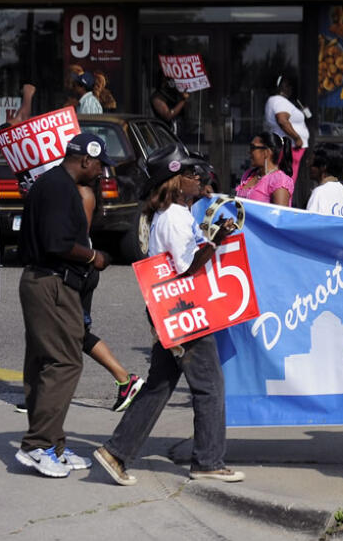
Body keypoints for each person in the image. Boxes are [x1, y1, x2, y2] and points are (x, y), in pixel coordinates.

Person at [94, 145, 244, 486]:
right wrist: (215, 242)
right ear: (175, 183)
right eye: (191, 175)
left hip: (168, 312)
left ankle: (115, 452)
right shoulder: (175, 218)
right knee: (209, 386)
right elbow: (187, 268)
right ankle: (207, 461)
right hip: (183, 311)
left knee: (160, 386)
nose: (199, 180)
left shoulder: (172, 214)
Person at [14, 133, 115, 478]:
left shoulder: (53, 183)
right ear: (85, 159)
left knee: (45, 361)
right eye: (100, 164)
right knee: (64, 361)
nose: (102, 173)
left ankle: (52, 442)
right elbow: (58, 243)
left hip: (45, 281)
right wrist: (95, 256)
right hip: (51, 282)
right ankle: (38, 445)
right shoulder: (59, 187)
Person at [76, 180, 144, 411]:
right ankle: (126, 380)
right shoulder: (70, 189)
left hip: (78, 270)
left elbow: (76, 237)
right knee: (70, 333)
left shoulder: (83, 192)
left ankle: (126, 379)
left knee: (63, 332)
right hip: (76, 268)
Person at [264, 74, 309, 183]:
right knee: (286, 181)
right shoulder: (279, 101)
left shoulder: (277, 101)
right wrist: (297, 138)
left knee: (284, 179)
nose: (290, 88)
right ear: (279, 87)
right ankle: (283, 200)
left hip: (288, 147)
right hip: (290, 147)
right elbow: (282, 120)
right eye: (287, 85)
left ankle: (282, 199)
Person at [236, 132, 294, 207]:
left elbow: (280, 216)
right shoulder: (248, 174)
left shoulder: (279, 180)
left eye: (253, 148)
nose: (249, 152)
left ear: (267, 152)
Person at [306, 145, 343, 218]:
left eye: (312, 163)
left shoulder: (319, 193)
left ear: (323, 167)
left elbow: (310, 224)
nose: (308, 164)